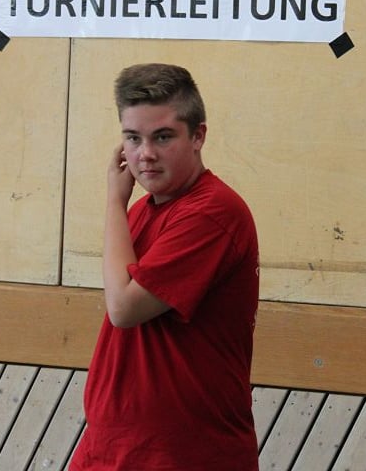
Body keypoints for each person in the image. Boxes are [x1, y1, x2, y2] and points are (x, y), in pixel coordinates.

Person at [69, 63, 260, 471]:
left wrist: (114, 199)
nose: (145, 154)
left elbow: (124, 308)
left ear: (198, 136)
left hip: (181, 455)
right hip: (112, 448)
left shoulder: (212, 212)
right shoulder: (141, 212)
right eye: (132, 138)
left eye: (163, 136)